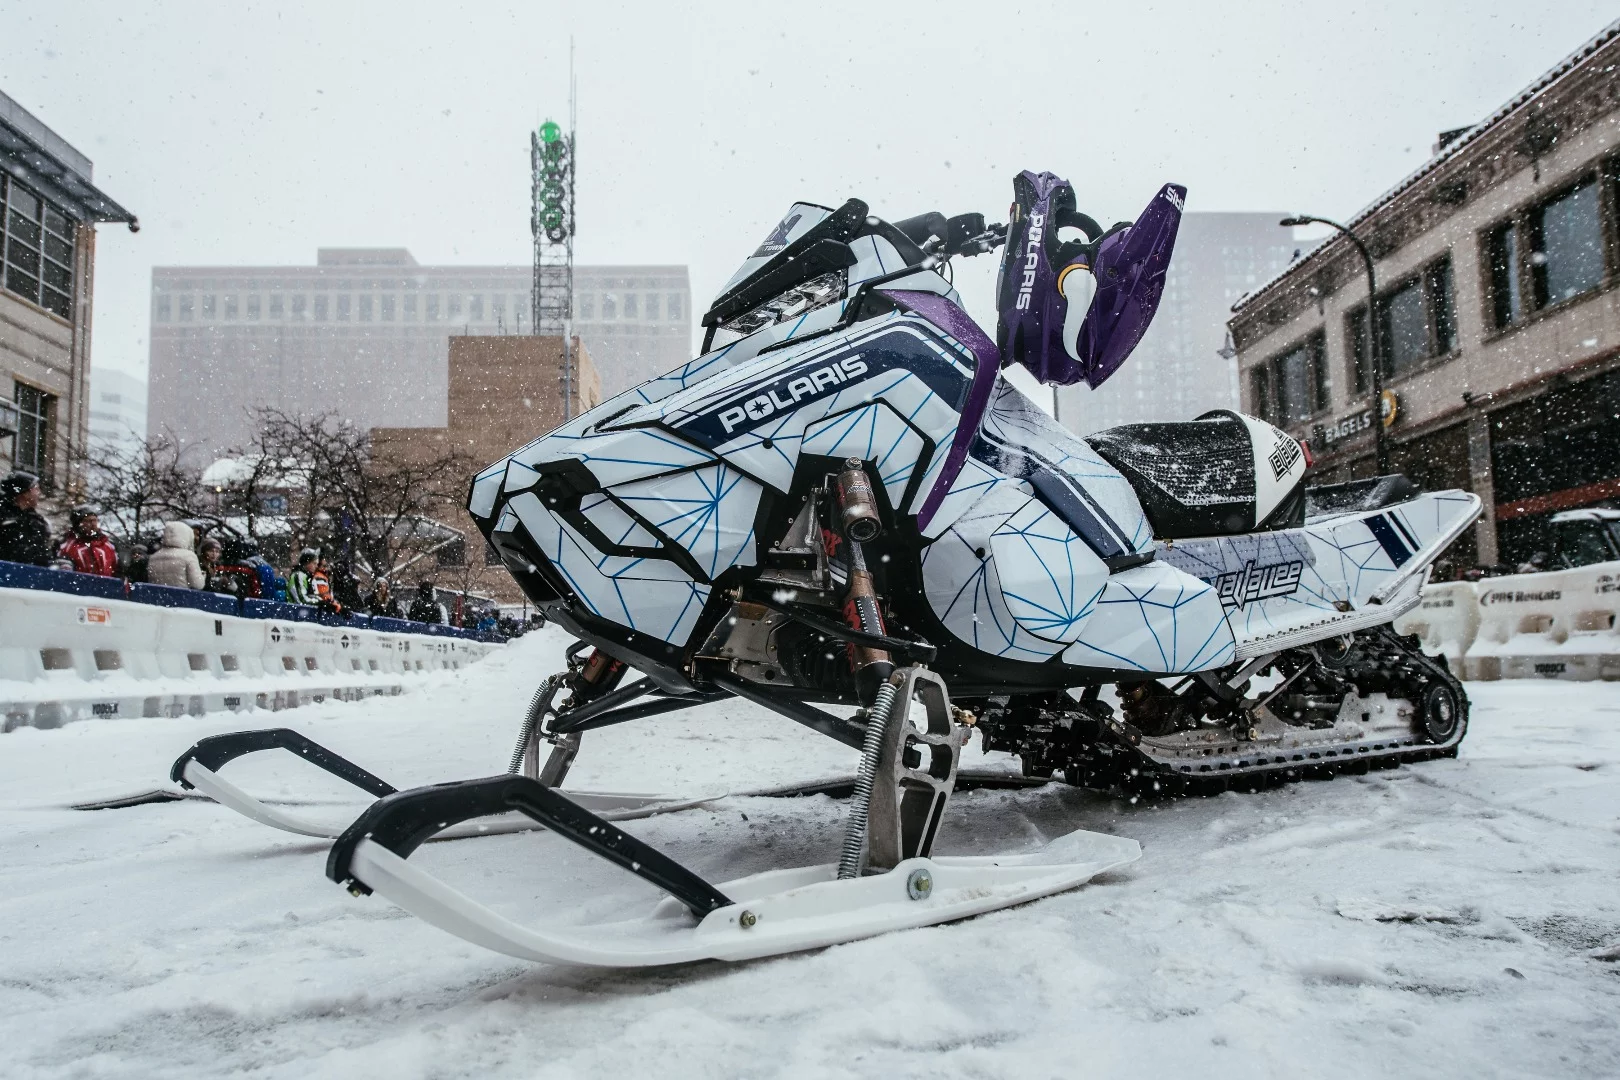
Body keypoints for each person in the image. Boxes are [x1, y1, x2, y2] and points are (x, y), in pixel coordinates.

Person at [0, 471, 52, 566]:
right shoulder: (5, 519)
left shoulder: (37, 521)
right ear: (25, 493)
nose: (39, 493)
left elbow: (43, 555)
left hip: (30, 575)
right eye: (36, 489)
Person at [57, 506, 120, 576]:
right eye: (88, 521)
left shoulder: (108, 546)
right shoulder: (68, 547)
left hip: (106, 585)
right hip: (80, 585)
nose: (93, 524)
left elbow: (118, 572)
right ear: (78, 524)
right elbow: (64, 575)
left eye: (94, 520)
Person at [147, 520, 205, 588]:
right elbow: (197, 585)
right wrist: (203, 577)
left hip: (156, 596)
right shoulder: (189, 556)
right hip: (181, 596)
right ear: (186, 535)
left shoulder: (153, 557)